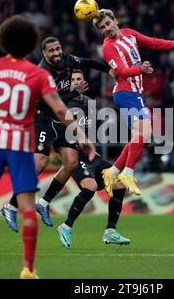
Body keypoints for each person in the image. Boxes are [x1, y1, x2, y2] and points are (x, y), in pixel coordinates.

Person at [0, 15, 95, 279]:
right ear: (32, 44)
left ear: (2, 41)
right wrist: (81, 135)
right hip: (19, 143)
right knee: (26, 205)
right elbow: (59, 108)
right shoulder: (38, 73)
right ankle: (27, 268)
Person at [1, 37, 114, 231]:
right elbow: (49, 102)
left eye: (58, 49)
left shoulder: (67, 60)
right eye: (51, 51)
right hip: (42, 118)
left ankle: (44, 203)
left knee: (71, 162)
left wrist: (110, 70)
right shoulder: (43, 72)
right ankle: (10, 206)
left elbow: (89, 62)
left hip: (59, 119)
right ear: (44, 54)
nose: (56, 53)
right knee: (39, 163)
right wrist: (74, 92)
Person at [93, 9, 174, 196]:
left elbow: (154, 42)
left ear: (115, 20)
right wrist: (140, 69)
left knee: (140, 137)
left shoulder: (129, 34)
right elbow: (122, 71)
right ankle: (128, 172)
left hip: (136, 93)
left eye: (108, 24)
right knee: (145, 133)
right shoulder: (108, 48)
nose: (106, 29)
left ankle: (113, 171)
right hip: (125, 93)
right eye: (102, 28)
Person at [56, 70, 130, 248]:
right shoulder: (63, 102)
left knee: (119, 184)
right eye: (72, 80)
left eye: (79, 79)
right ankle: (65, 226)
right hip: (74, 154)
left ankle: (110, 231)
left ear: (84, 81)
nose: (76, 82)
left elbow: (89, 131)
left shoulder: (90, 103)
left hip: (90, 156)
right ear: (69, 83)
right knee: (91, 186)